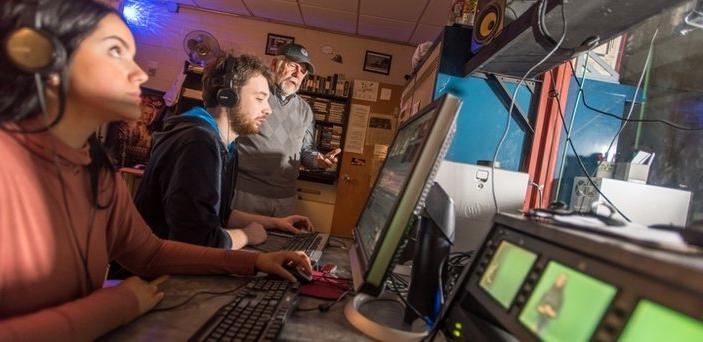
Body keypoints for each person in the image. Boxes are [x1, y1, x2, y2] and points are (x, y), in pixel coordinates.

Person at [0, 1, 311, 340]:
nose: (139, 73)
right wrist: (115, 306)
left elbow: (150, 253)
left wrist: (255, 262)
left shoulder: (98, 172)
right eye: (115, 52)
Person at [134, 53, 312, 250]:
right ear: (228, 97)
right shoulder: (198, 143)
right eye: (260, 98)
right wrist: (247, 235)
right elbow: (197, 240)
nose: (268, 110)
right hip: (154, 276)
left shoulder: (224, 145)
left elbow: (219, 214)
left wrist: (276, 223)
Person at [233, 43, 342, 217]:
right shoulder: (255, 94)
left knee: (279, 243)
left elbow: (306, 151)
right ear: (275, 65)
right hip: (246, 194)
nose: (297, 74)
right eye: (293, 66)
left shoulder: (305, 111)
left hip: (286, 199)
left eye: (303, 70)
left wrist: (319, 161)